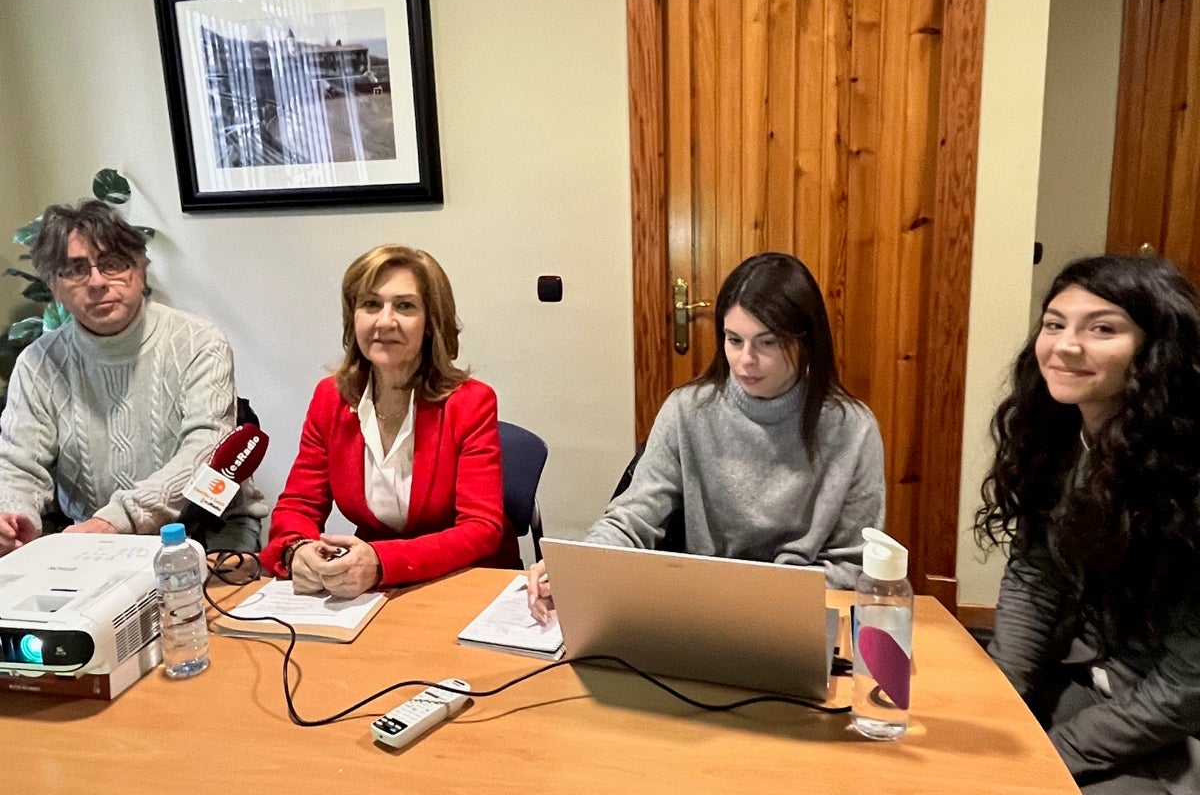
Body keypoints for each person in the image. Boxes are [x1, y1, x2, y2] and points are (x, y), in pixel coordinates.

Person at [529, 251, 886, 622]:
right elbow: (634, 516)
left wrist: (763, 597)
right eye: (734, 340)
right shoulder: (689, 411)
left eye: (767, 342)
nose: (746, 359)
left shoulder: (853, 429)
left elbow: (853, 564)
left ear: (806, 342)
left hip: (802, 611)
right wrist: (578, 568)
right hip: (704, 610)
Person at [977, 255, 1200, 795]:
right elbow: (1036, 572)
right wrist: (1001, 699)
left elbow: (1186, 683)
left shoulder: (1188, 472)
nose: (1066, 346)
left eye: (1101, 328)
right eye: (1055, 324)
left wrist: (1057, 753)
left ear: (1156, 349)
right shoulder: (1061, 434)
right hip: (1094, 679)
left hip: (1183, 727)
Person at [0, 200, 266, 554]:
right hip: (91, 541)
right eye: (76, 270)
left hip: (207, 529)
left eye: (113, 264)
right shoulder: (38, 362)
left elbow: (204, 451)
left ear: (141, 269)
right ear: (54, 284)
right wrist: (15, 517)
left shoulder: (199, 341)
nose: (97, 282)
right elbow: (19, 463)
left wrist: (116, 519)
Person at [262, 245, 516, 598]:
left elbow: (481, 527)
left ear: (431, 323)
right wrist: (297, 550)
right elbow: (298, 504)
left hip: (463, 583)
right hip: (368, 594)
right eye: (370, 304)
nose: (384, 321)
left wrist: (382, 562)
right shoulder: (330, 397)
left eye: (405, 306)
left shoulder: (471, 402)